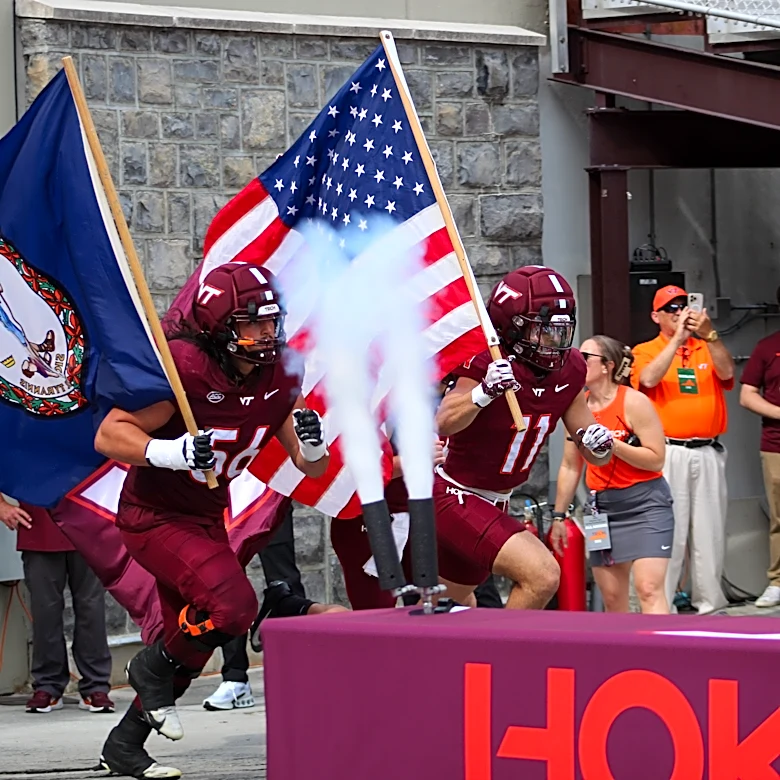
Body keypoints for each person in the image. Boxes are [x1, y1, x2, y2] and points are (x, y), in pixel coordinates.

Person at [92, 262, 332, 779]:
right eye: (252, 323)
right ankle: (148, 667)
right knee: (234, 607)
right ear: (220, 326)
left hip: (204, 517)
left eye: (271, 321)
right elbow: (109, 433)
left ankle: (125, 745)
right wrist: (171, 451)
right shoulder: (186, 368)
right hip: (153, 516)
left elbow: (309, 465)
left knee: (191, 647)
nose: (266, 333)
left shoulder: (280, 374)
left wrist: (315, 446)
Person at [433, 265, 614, 608]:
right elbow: (444, 421)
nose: (554, 342)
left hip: (497, 500)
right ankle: (502, 646)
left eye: (561, 331)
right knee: (542, 575)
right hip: (455, 495)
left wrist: (600, 444)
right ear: (512, 326)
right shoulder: (488, 359)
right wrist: (484, 392)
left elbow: (592, 451)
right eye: (543, 331)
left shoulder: (571, 368)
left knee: (451, 605)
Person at [551, 335, 674, 614]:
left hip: (646, 505)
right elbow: (570, 465)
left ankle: (662, 643)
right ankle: (625, 644)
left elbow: (656, 459)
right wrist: (558, 516)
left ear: (607, 366)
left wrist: (611, 443)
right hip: (602, 509)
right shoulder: (577, 406)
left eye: (586, 357)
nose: (578, 362)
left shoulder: (634, 401)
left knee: (648, 589)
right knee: (612, 598)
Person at [631, 285, 734, 615]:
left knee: (710, 532)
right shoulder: (645, 350)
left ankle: (710, 604)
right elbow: (648, 379)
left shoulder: (706, 344)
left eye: (683, 305)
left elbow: (728, 372)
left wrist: (710, 335)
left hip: (707, 450)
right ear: (656, 316)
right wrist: (676, 341)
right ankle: (661, 607)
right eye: (671, 308)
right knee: (669, 531)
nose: (679, 312)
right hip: (669, 452)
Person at [0, 495, 115, 714]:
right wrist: (2, 507)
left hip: (89, 526)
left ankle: (96, 686)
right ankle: (48, 686)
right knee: (45, 611)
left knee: (92, 609)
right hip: (38, 528)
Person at [202, 505, 306, 710]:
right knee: (227, 583)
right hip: (226, 500)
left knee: (284, 582)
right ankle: (235, 679)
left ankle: (299, 674)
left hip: (269, 496)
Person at [739, 289, 780, 607]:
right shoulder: (767, 347)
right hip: (776, 445)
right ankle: (777, 581)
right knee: (779, 516)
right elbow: (747, 395)